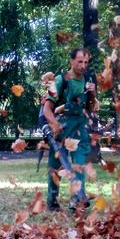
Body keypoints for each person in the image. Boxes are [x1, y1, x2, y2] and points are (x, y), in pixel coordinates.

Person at [43, 48, 96, 211]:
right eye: (79, 61)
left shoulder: (88, 79)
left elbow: (90, 107)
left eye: (86, 62)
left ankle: (77, 200)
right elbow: (46, 109)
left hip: (80, 128)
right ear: (71, 61)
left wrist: (92, 94)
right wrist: (54, 124)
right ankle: (52, 200)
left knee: (79, 164)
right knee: (55, 167)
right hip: (62, 129)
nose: (83, 65)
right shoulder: (60, 80)